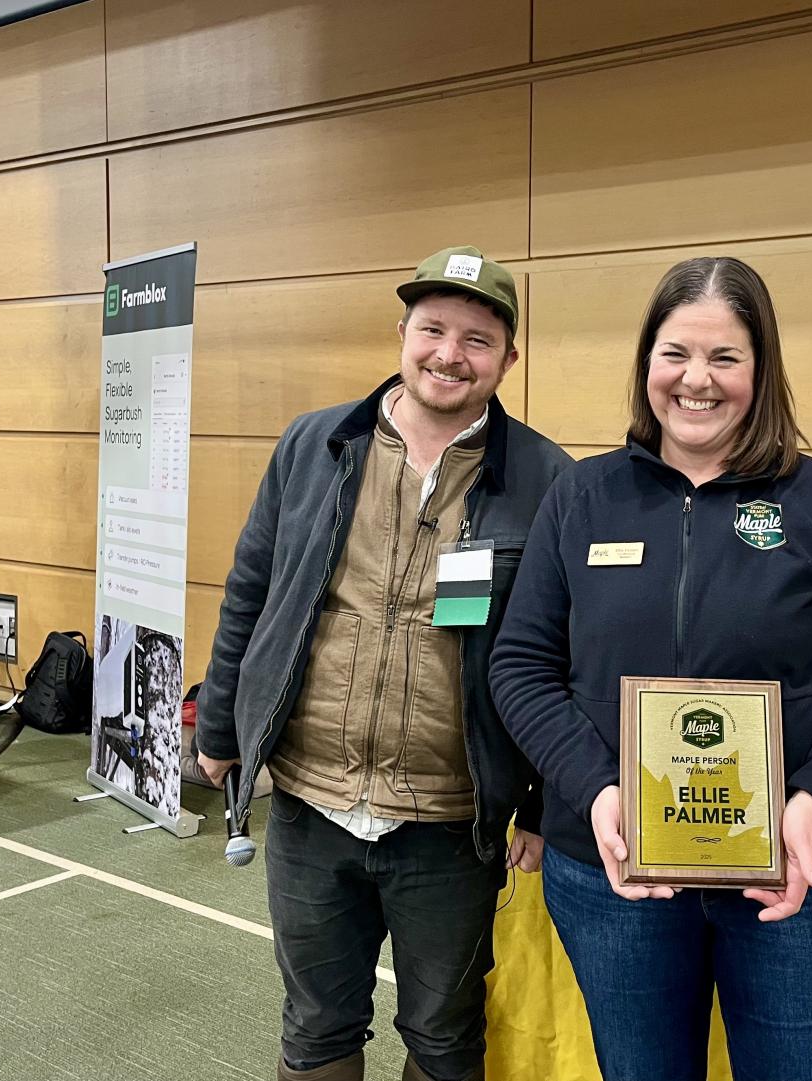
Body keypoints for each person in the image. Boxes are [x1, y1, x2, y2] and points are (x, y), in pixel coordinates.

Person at [489, 256, 812, 1081]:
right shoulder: (582, 498)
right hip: (614, 874)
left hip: (800, 879)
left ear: (761, 371)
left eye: (725, 357)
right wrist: (598, 789)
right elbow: (521, 666)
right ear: (646, 362)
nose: (697, 380)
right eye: (675, 353)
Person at [194, 246, 571, 1081]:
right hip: (309, 799)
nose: (449, 352)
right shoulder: (315, 444)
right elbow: (250, 588)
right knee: (317, 1025)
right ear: (401, 332)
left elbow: (565, 656)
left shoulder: (549, 481)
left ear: (509, 357)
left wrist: (546, 802)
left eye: (477, 338)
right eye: (432, 328)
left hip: (451, 818)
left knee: (444, 1035)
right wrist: (222, 723)